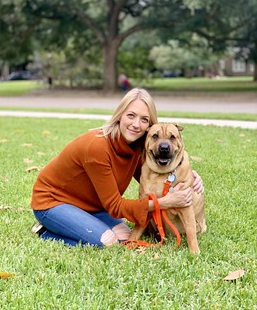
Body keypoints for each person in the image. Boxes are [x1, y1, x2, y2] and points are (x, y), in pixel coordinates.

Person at [31, 88, 204, 247]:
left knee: (124, 235)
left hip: (89, 207)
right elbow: (115, 206)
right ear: (120, 115)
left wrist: (188, 176)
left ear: (149, 126)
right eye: (131, 115)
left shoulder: (137, 147)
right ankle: (47, 231)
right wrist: (165, 202)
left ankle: (79, 222)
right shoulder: (97, 147)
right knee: (107, 241)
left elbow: (152, 175)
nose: (136, 124)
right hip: (52, 202)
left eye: (144, 119)